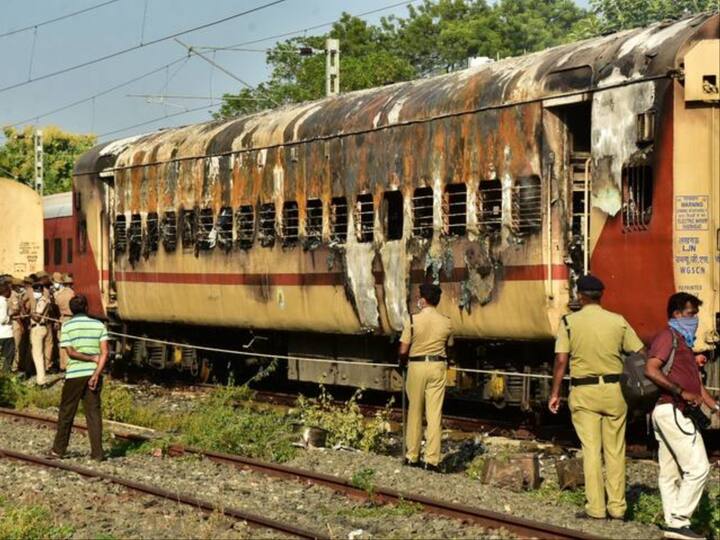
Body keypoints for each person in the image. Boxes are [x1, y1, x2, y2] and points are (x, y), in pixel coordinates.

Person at [548, 275, 644, 520]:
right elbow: (640, 352)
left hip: (584, 392)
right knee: (615, 450)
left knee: (591, 451)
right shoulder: (617, 321)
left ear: (580, 296)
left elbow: (561, 360)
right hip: (614, 392)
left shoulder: (569, 322)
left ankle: (596, 509)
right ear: (601, 295)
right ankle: (618, 508)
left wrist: (555, 392)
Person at [645, 293, 719, 540]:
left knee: (670, 473)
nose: (695, 319)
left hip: (670, 411)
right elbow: (651, 368)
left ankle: (671, 523)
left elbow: (698, 387)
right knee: (699, 467)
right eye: (690, 314)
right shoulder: (668, 337)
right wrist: (680, 392)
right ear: (677, 314)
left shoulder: (684, 342)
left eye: (696, 314)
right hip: (672, 409)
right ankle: (679, 522)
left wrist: (716, 408)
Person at [398, 283, 453, 472]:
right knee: (434, 414)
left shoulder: (412, 321)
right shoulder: (447, 321)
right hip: (438, 366)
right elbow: (450, 346)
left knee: (414, 412)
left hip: (416, 365)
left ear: (423, 299)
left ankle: (412, 456)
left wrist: (401, 362)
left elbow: (403, 349)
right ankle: (432, 460)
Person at [50, 294, 109, 461]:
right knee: (93, 414)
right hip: (93, 374)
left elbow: (71, 353)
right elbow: (105, 353)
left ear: (70, 309)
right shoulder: (99, 325)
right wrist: (96, 373)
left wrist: (89, 358)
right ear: (86, 308)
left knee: (67, 412)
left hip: (75, 375)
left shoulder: (67, 327)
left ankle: (58, 450)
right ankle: (98, 453)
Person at [29, 280, 51, 386]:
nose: (34, 293)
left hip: (38, 328)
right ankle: (41, 379)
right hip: (41, 328)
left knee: (38, 356)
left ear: (39, 291)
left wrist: (30, 313)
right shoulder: (44, 300)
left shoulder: (42, 301)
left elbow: (37, 317)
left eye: (35, 291)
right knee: (38, 355)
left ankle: (41, 381)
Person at [53, 274, 76, 371]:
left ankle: (63, 364)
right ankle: (70, 364)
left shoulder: (58, 294)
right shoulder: (72, 294)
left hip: (62, 318)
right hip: (71, 319)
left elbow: (55, 307)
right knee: (72, 343)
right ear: (71, 284)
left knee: (62, 343)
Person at [8, 277, 28, 373]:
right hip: (16, 322)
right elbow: (16, 310)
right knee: (17, 345)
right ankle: (15, 367)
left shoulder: (6, 295)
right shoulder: (15, 295)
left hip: (9, 322)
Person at [0, 282, 15, 372]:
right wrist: (10, 316)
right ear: (5, 292)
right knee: (7, 357)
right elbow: (2, 319)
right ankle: (5, 377)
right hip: (5, 333)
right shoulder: (3, 302)